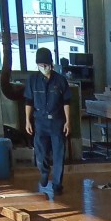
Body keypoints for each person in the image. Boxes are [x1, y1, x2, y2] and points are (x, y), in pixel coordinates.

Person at [24, 47, 71, 195]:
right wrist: (27, 121)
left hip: (57, 122)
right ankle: (44, 172)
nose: (43, 67)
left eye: (46, 65)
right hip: (40, 122)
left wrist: (68, 121)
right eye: (40, 65)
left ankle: (57, 185)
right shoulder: (32, 80)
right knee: (41, 153)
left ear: (51, 64)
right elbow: (28, 101)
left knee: (58, 155)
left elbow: (66, 102)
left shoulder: (60, 80)